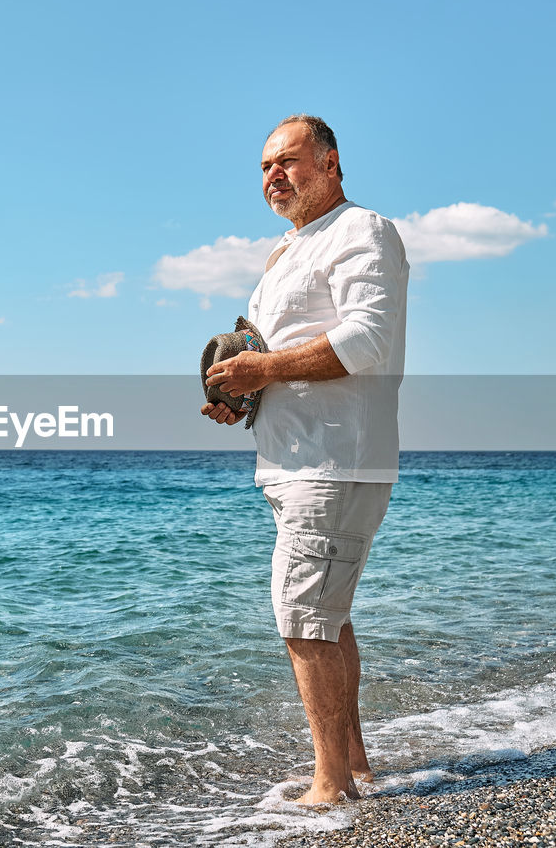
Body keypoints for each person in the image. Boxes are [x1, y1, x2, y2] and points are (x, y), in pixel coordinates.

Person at [201, 115, 408, 805]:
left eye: (288, 161)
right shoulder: (283, 253)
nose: (273, 176)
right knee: (327, 615)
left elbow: (366, 339)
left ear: (331, 162)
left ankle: (329, 789)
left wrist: (264, 367)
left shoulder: (363, 231)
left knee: (301, 615)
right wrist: (241, 395)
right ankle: (353, 766)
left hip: (335, 459)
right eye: (264, 167)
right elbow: (266, 353)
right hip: (291, 462)